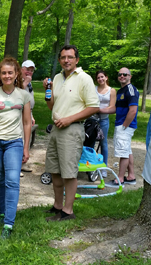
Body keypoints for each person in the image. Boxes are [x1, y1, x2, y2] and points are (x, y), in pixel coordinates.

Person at [42, 45, 99, 222]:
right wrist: (47, 92)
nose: (66, 60)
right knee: (55, 171)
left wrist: (70, 119)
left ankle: (68, 211)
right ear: (59, 60)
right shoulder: (57, 78)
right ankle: (57, 206)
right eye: (63, 57)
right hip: (56, 129)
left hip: (72, 129)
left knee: (68, 172)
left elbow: (94, 107)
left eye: (70, 57)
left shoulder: (84, 78)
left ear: (77, 60)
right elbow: (52, 106)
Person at [0, 57, 32, 239]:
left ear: (16, 74)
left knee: (12, 180)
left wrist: (26, 147)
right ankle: (2, 213)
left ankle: (8, 224)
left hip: (14, 143)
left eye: (10, 72)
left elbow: (27, 123)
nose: (7, 76)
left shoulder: (23, 95)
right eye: (3, 73)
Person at [106, 67, 139, 187]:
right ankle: (131, 176)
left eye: (125, 74)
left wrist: (125, 125)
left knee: (123, 152)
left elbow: (133, 111)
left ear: (130, 76)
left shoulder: (130, 90)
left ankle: (120, 179)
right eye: (120, 74)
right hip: (121, 124)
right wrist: (100, 110)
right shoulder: (121, 91)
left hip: (125, 126)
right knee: (127, 150)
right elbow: (116, 108)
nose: (122, 76)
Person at [95, 70, 116, 177]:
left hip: (104, 120)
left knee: (103, 143)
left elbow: (112, 107)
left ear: (106, 77)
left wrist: (99, 110)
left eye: (102, 77)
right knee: (89, 142)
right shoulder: (94, 89)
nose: (100, 79)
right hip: (92, 119)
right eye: (98, 78)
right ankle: (90, 165)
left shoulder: (111, 91)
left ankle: (103, 168)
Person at [20, 60, 36, 175]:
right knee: (20, 139)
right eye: (27, 69)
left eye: (31, 70)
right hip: (19, 115)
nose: (29, 72)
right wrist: (25, 82)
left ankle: (23, 164)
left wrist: (31, 115)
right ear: (22, 69)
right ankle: (16, 166)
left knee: (27, 139)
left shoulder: (30, 84)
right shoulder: (19, 82)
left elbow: (30, 101)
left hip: (28, 114)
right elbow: (16, 96)